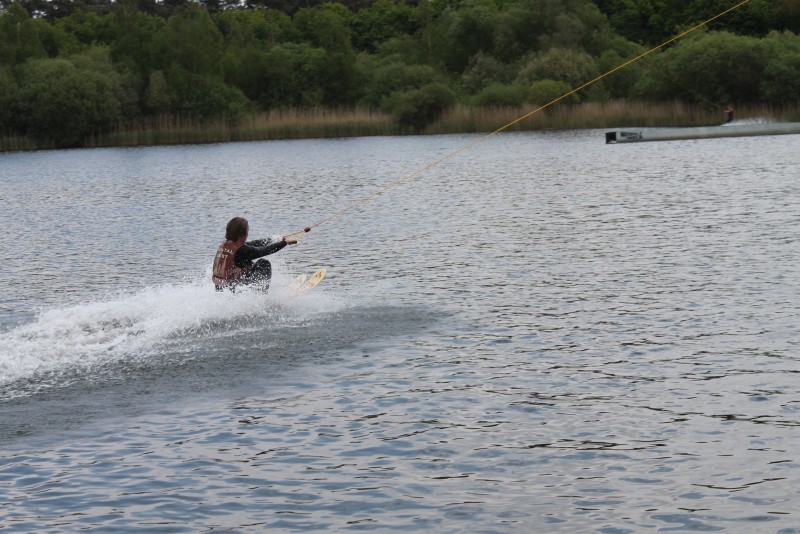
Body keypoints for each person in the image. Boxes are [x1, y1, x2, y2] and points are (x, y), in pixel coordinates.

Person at [212, 216, 298, 292]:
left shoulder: (225, 244)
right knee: (263, 263)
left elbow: (254, 243)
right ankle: (260, 298)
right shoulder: (243, 250)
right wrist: (285, 243)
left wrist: (276, 239)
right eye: (248, 230)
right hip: (234, 291)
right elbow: (264, 250)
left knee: (249, 264)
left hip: (221, 290)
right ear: (243, 233)